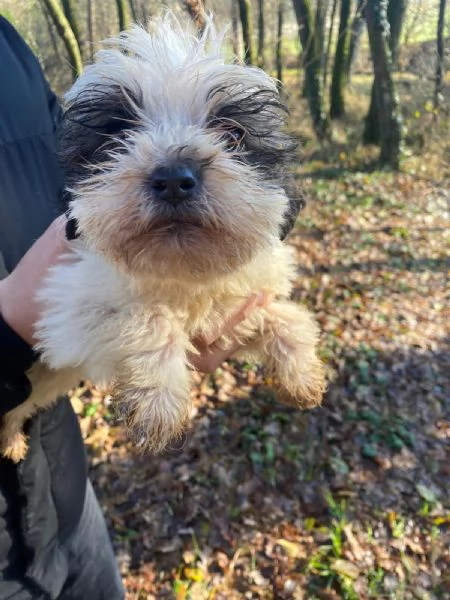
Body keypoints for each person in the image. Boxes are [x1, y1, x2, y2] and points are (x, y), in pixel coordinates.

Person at [0, 17, 266, 599]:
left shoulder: (8, 47)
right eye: (125, 132)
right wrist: (4, 335)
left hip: (66, 487)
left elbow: (74, 182)